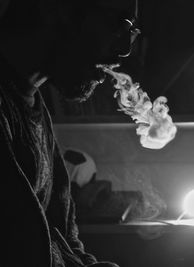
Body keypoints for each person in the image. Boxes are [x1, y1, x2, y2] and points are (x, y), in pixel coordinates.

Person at [0, 0, 139, 266]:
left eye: (131, 32)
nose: (124, 49)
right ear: (55, 8)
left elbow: (61, 235)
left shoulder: (33, 106)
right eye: (119, 24)